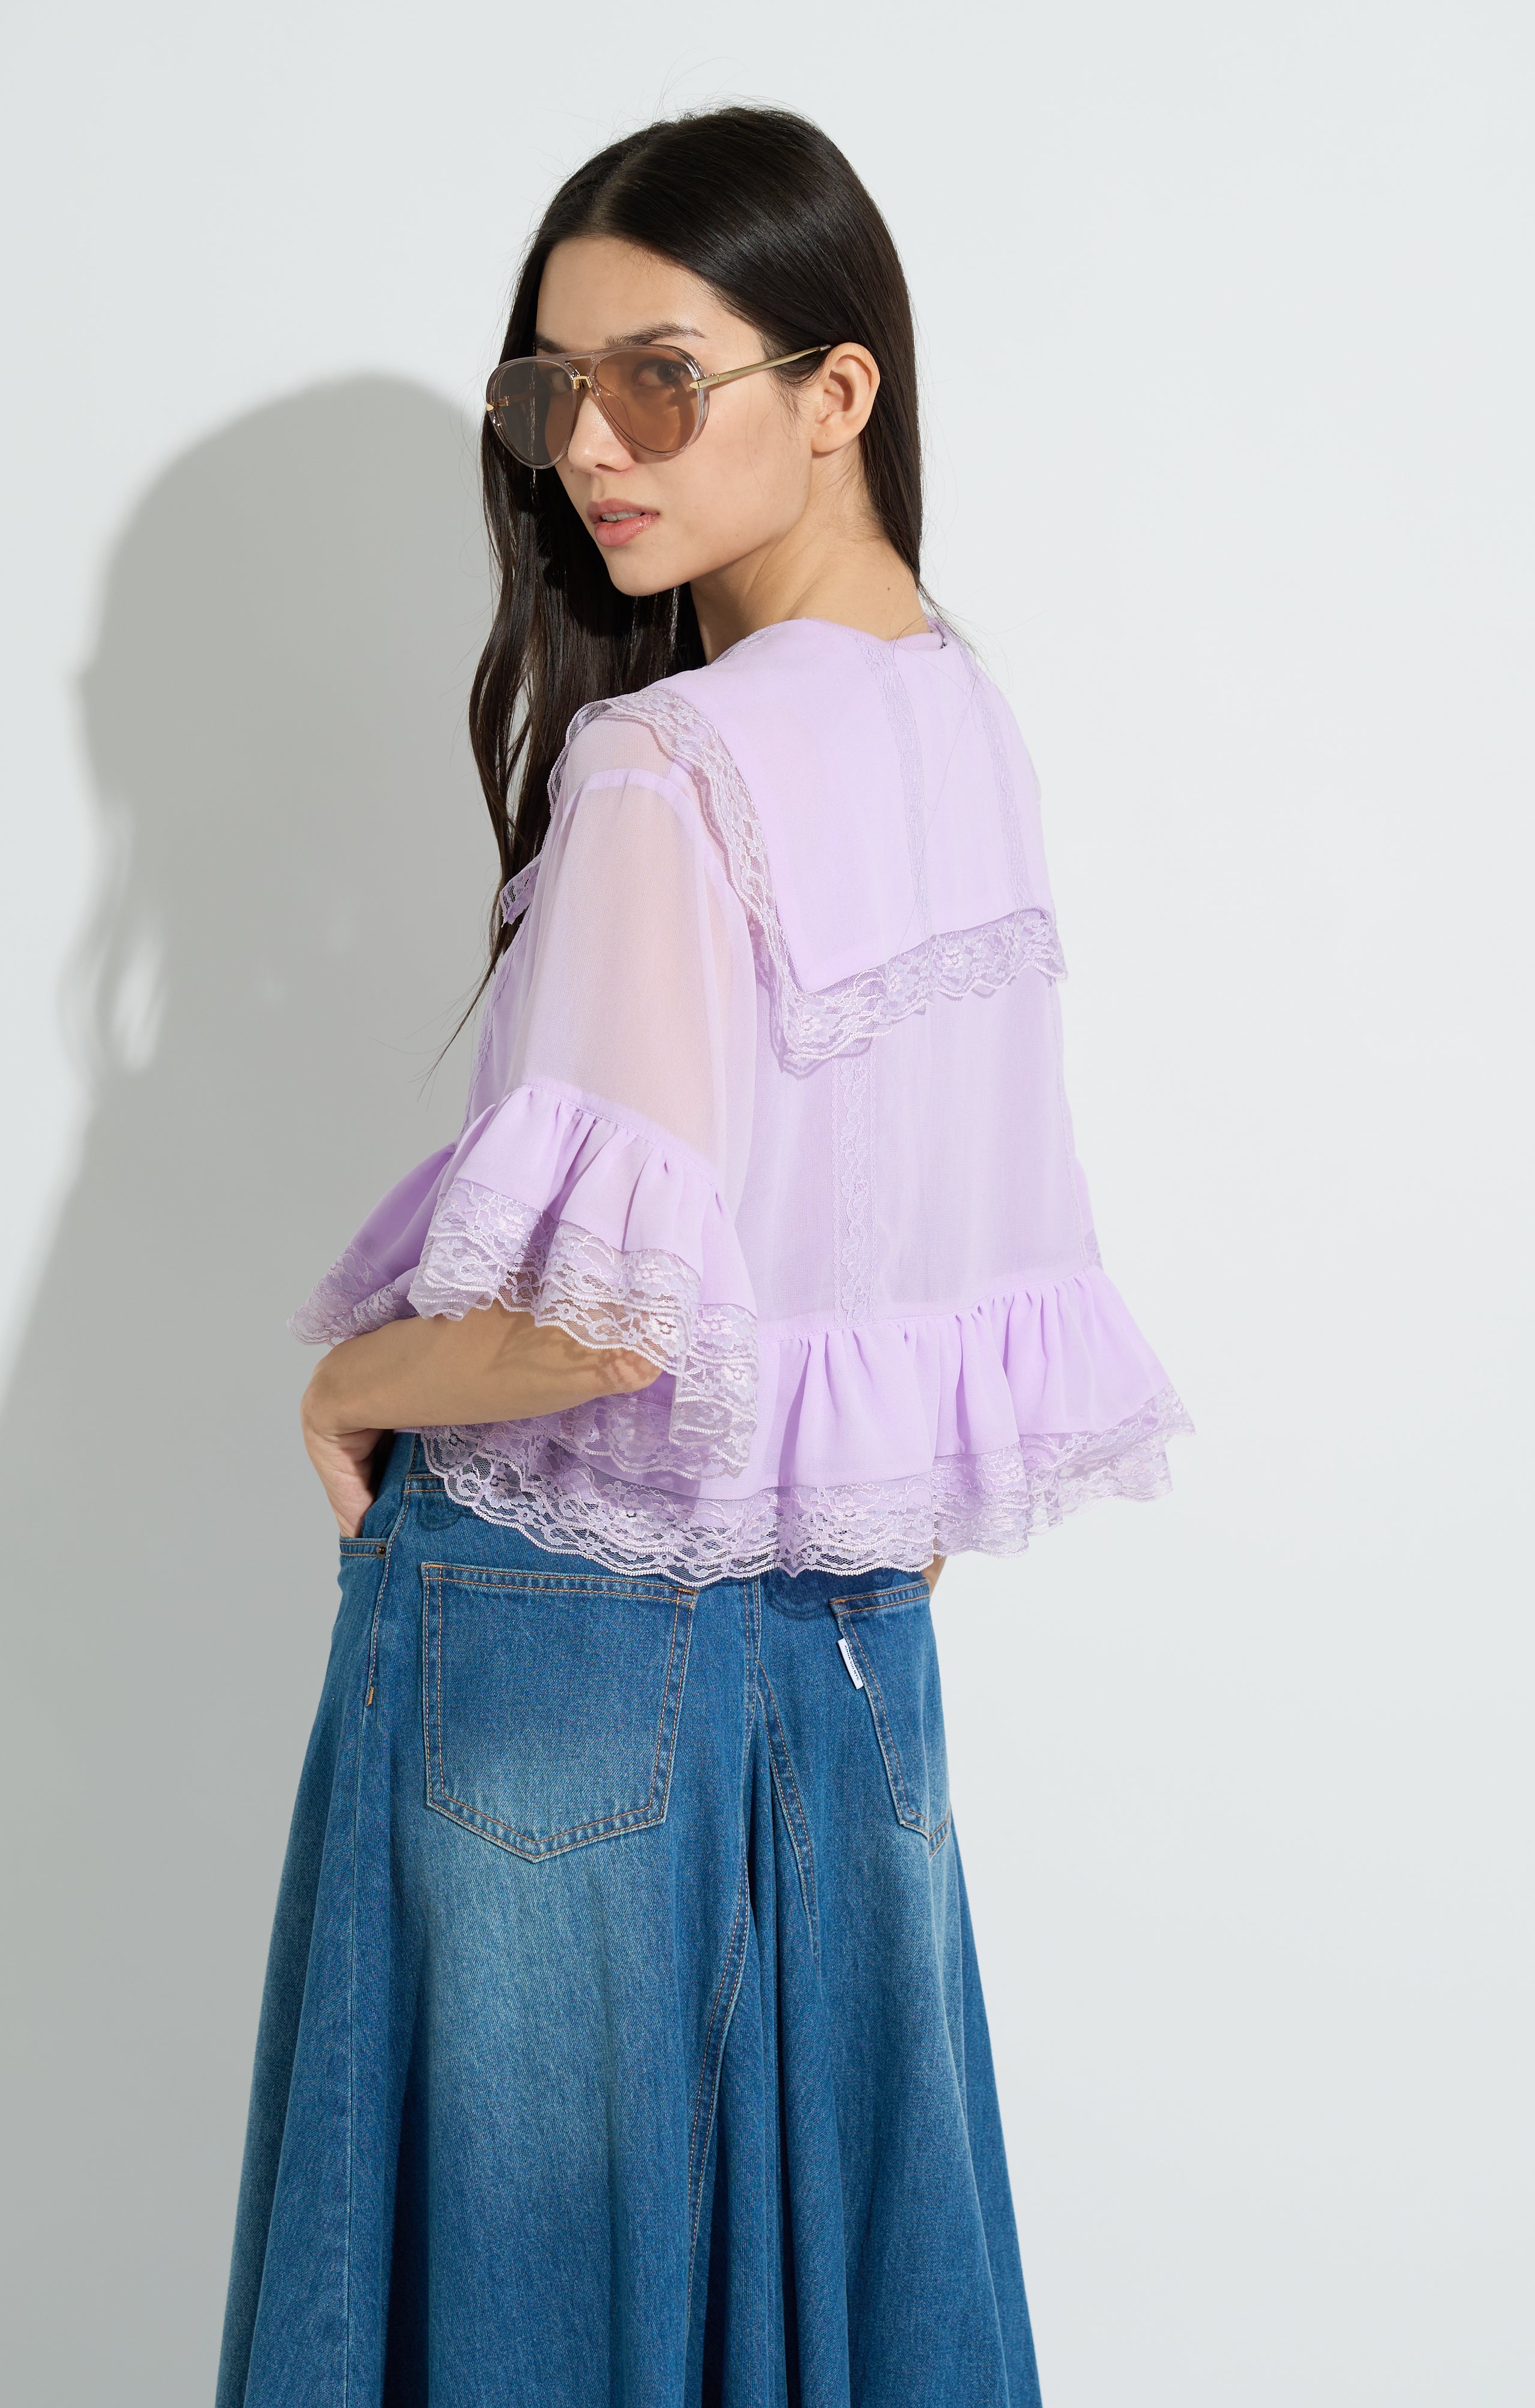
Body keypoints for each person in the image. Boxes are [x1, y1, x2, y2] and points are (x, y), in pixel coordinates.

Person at [216, 103, 1191, 2408]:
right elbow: (931, 1322)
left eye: (660, 379)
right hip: (849, 1659)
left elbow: (598, 1327)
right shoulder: (967, 723)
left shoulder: (668, 764)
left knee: (513, 2322)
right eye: (552, 392)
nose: (591, 449)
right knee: (840, 2304)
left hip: (554, 1646)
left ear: (840, 390)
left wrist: (353, 1381)